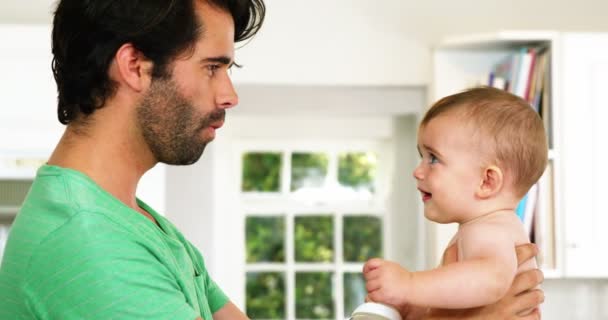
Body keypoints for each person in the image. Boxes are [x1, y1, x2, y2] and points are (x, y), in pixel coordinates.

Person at [0, 0, 542, 317]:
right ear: (136, 66)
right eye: (213, 67)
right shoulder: (89, 247)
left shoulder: (137, 225)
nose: (230, 94)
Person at [364, 87, 547, 319]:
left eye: (433, 158)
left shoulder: (489, 229)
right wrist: (418, 310)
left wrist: (409, 285)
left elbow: (491, 281)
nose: (418, 171)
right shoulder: (482, 228)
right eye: (422, 156)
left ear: (487, 181)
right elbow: (464, 306)